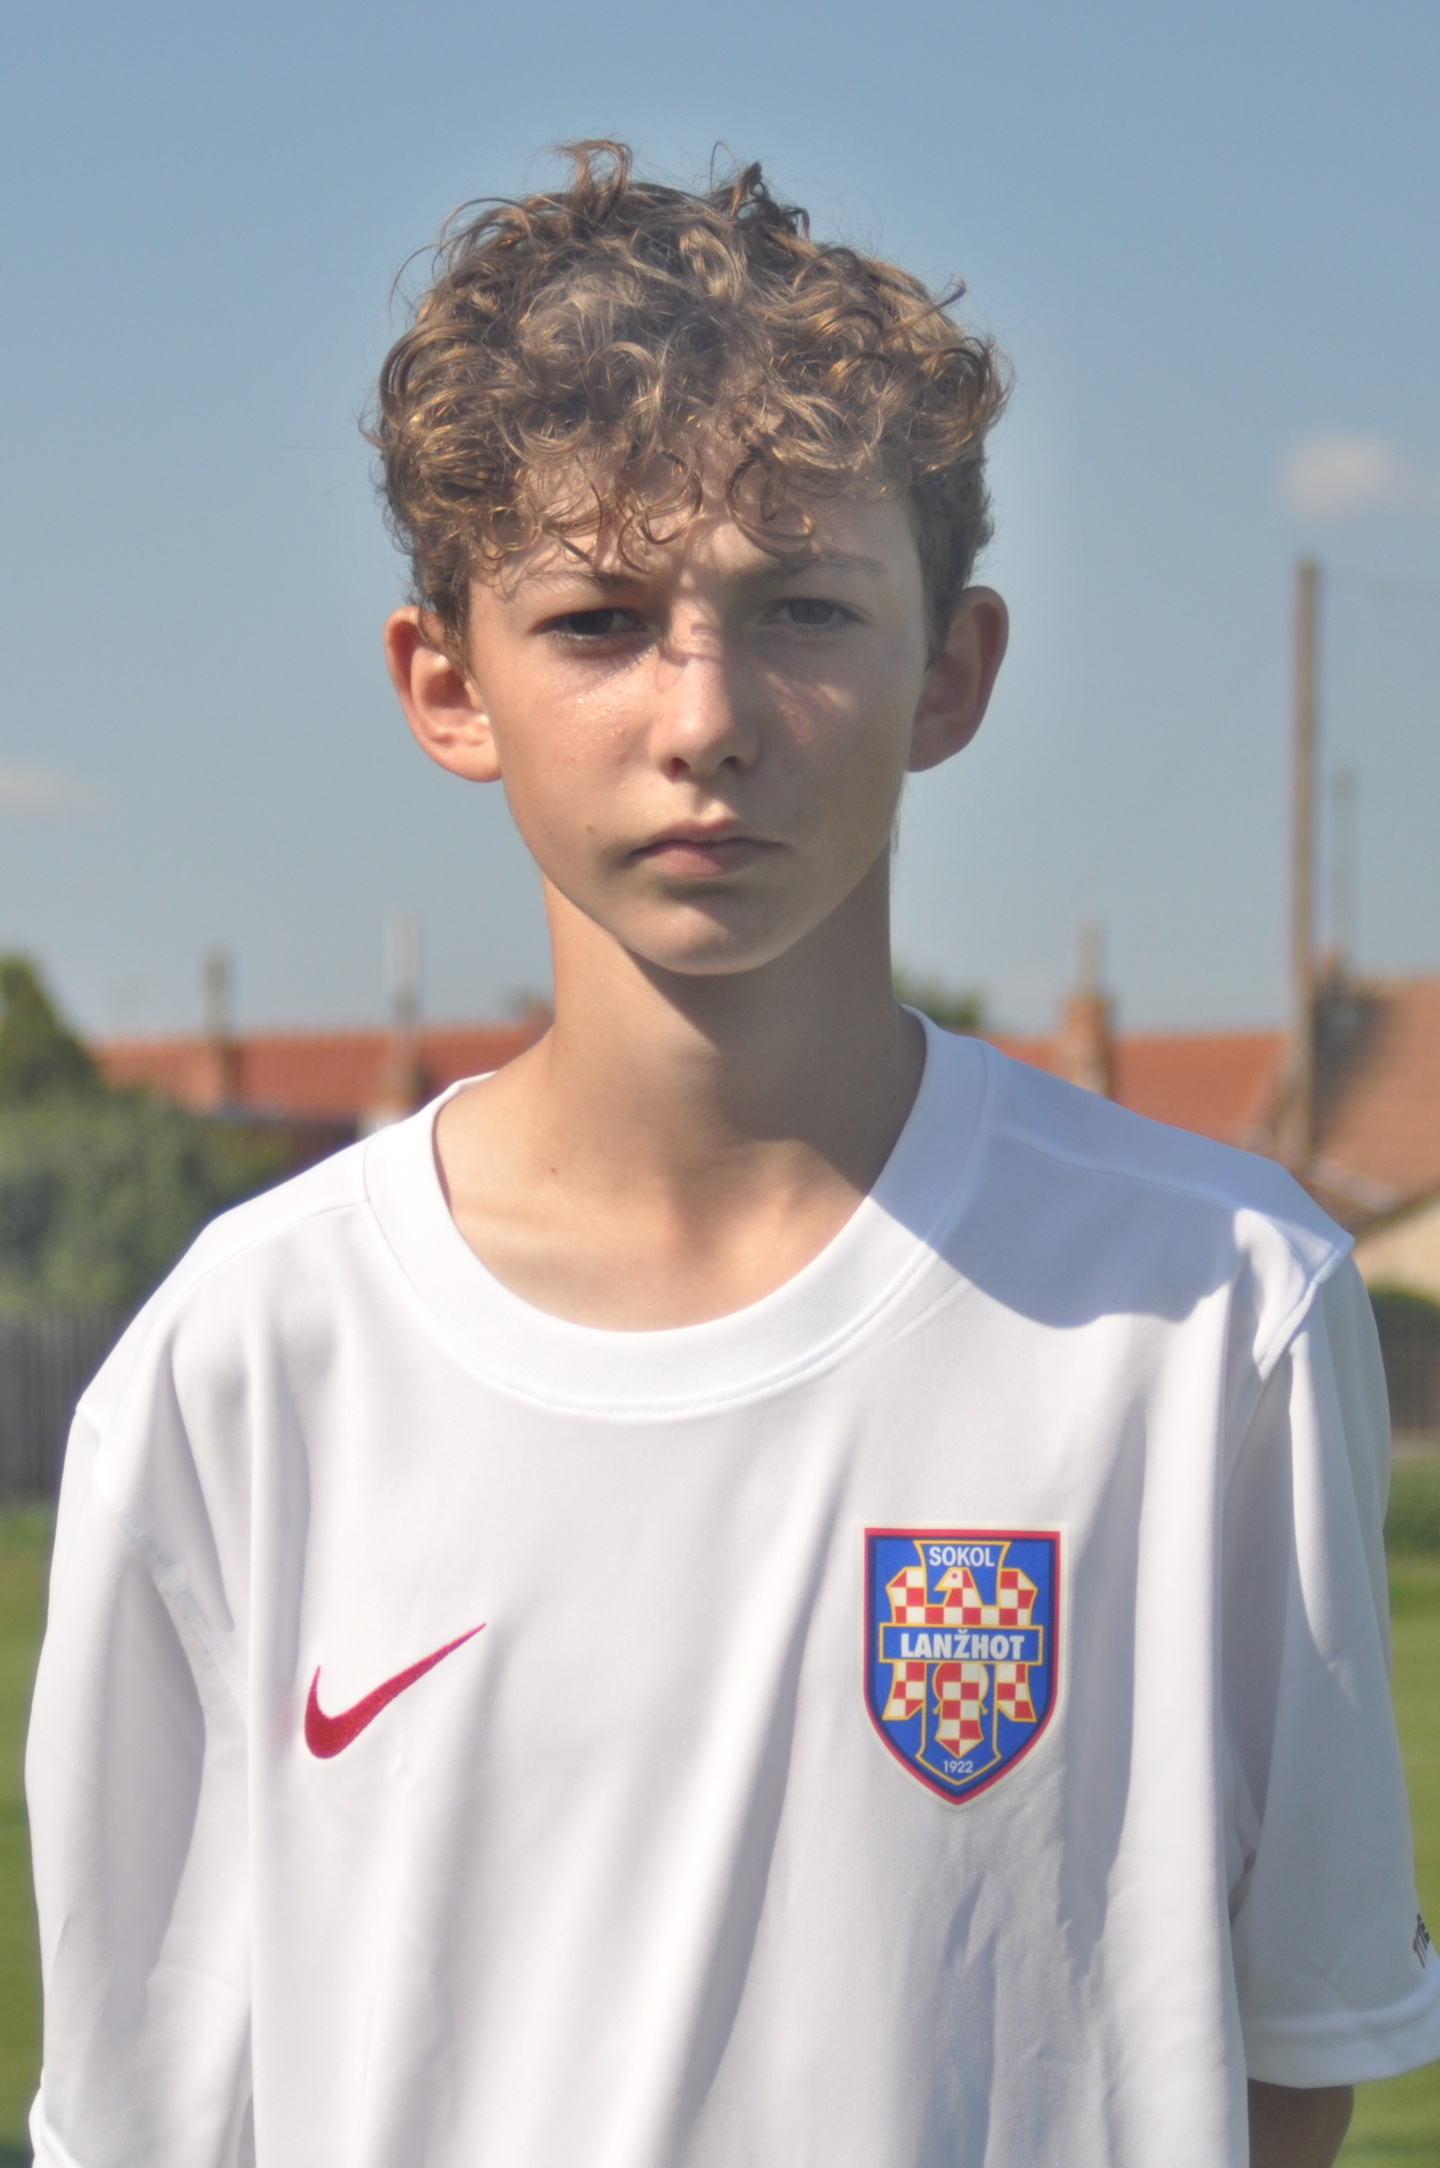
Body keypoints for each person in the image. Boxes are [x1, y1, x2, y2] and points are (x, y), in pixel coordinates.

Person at [25, 142, 1438, 2168]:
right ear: (449, 686)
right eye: (599, 618)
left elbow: (1296, 2053)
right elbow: (147, 2123)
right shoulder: (243, 1362)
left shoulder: (1216, 1306)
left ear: (951, 671)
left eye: (804, 610)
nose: (706, 716)